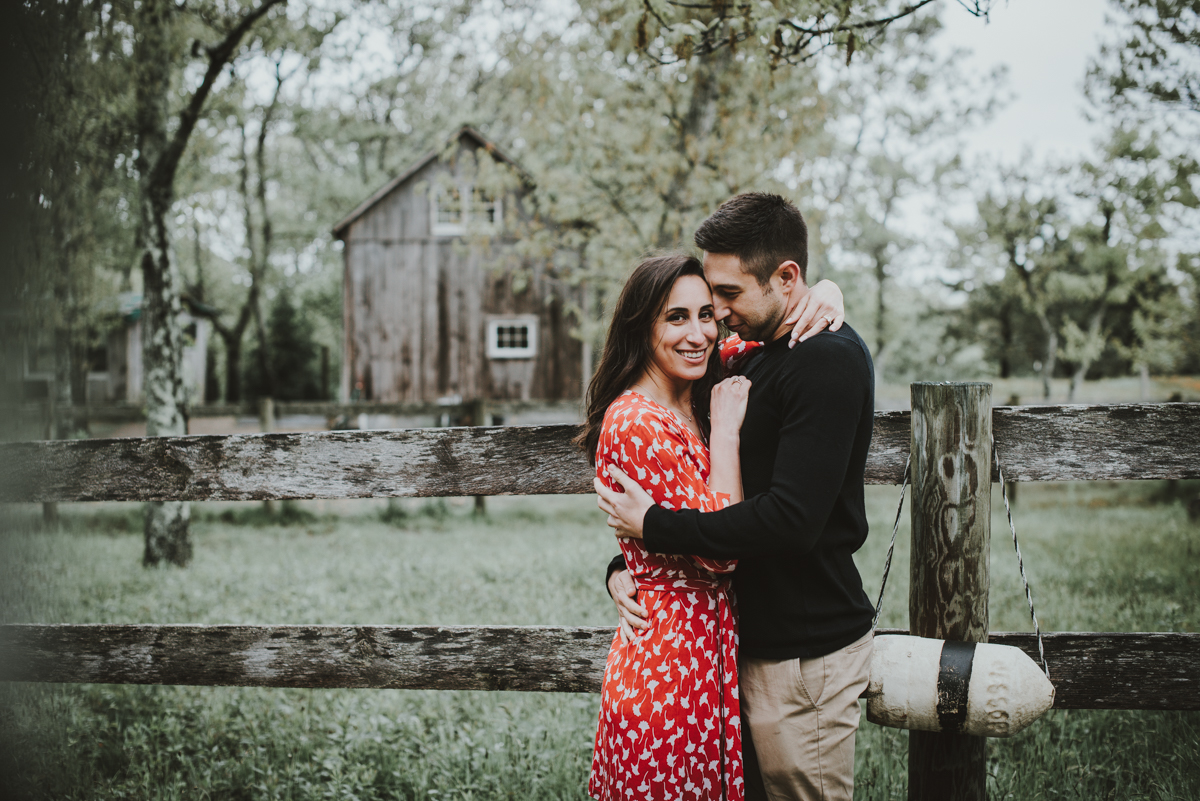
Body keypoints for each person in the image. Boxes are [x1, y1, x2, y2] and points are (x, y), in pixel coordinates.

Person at [597, 193, 876, 801]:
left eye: (726, 296)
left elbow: (790, 520)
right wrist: (631, 564)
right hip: (734, 649)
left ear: (786, 277)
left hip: (804, 654)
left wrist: (657, 528)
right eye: (702, 302)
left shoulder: (823, 359)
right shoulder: (750, 357)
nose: (716, 316)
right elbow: (684, 478)